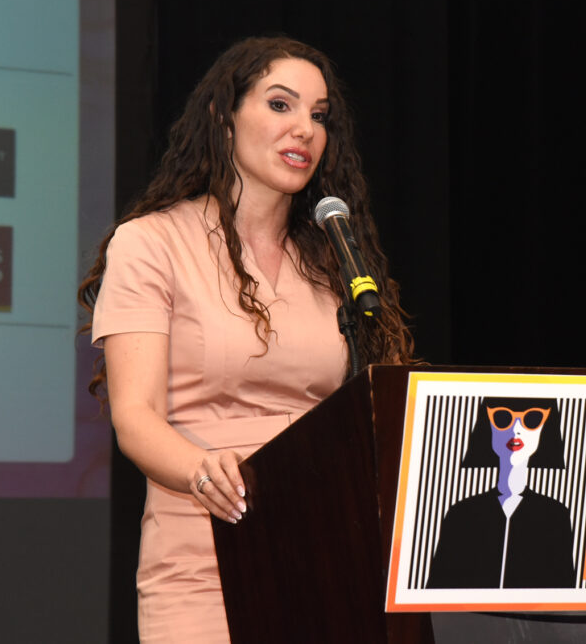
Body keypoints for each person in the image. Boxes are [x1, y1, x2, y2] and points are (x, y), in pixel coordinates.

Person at [77, 36, 414, 643]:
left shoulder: (334, 261)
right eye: (281, 105)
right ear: (223, 116)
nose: (305, 129)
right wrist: (203, 472)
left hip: (332, 556)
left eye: (319, 116)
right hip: (206, 549)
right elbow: (135, 417)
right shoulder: (151, 243)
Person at [426, 397, 575, 589]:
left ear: (545, 427)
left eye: (532, 419)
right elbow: (438, 589)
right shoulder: (461, 514)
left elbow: (563, 591)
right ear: (488, 425)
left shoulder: (555, 515)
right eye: (503, 418)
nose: (516, 429)